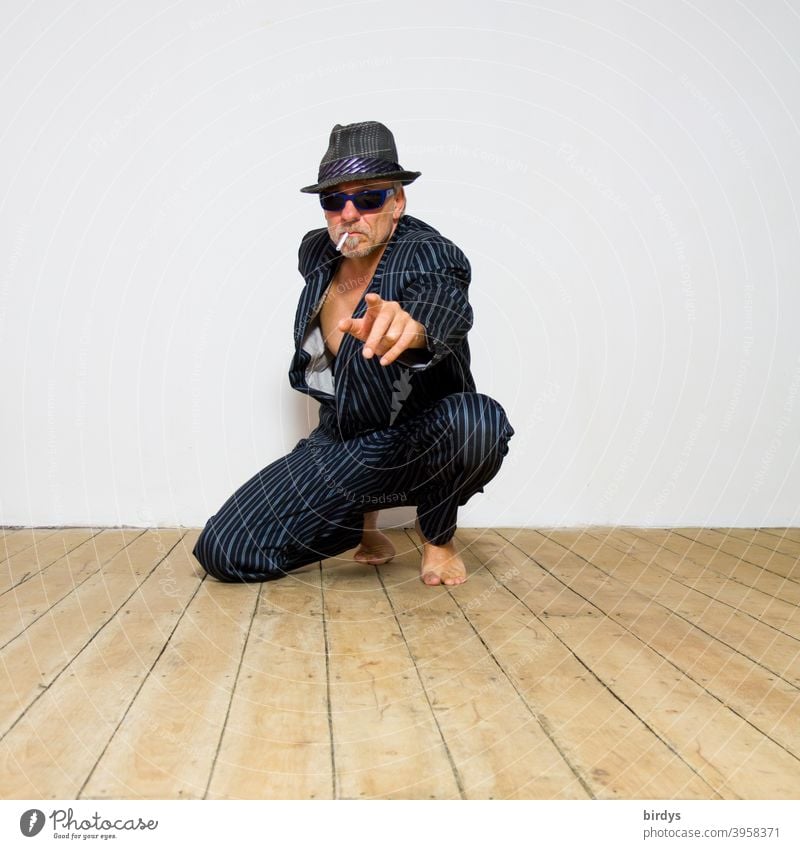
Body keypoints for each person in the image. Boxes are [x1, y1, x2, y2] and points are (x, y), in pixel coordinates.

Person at [193, 121, 513, 586]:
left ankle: (438, 539)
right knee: (224, 550)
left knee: (475, 422)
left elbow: (444, 299)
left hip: (419, 437)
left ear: (397, 201)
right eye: (334, 200)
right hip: (345, 440)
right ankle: (359, 524)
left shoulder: (430, 254)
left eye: (368, 198)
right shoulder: (318, 252)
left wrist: (416, 327)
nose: (349, 213)